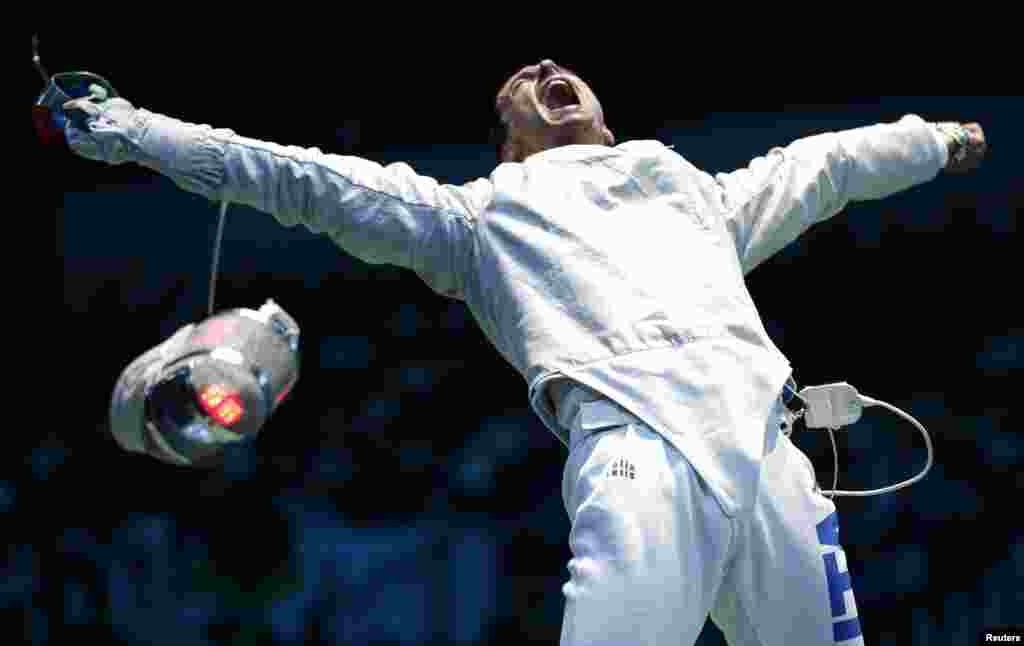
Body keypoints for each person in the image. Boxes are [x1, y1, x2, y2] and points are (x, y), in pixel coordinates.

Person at [63, 59, 986, 645]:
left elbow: (819, 169)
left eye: (558, 65)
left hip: (772, 458)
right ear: (509, 145)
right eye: (519, 80)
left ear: (607, 120)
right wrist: (134, 132)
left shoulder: (695, 195)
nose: (546, 65)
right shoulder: (476, 219)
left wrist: (933, 142)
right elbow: (297, 177)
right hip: (637, 454)